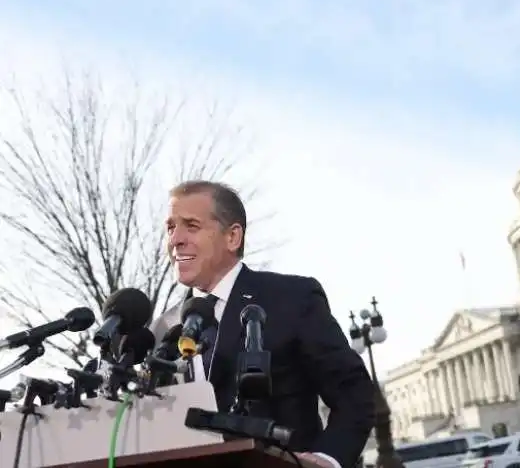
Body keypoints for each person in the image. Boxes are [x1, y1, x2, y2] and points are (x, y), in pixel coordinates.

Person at [150, 180, 375, 468]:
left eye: (191, 226)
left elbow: (354, 393)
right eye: (170, 228)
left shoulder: (293, 299)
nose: (175, 239)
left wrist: (326, 460)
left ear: (232, 237)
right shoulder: (163, 328)